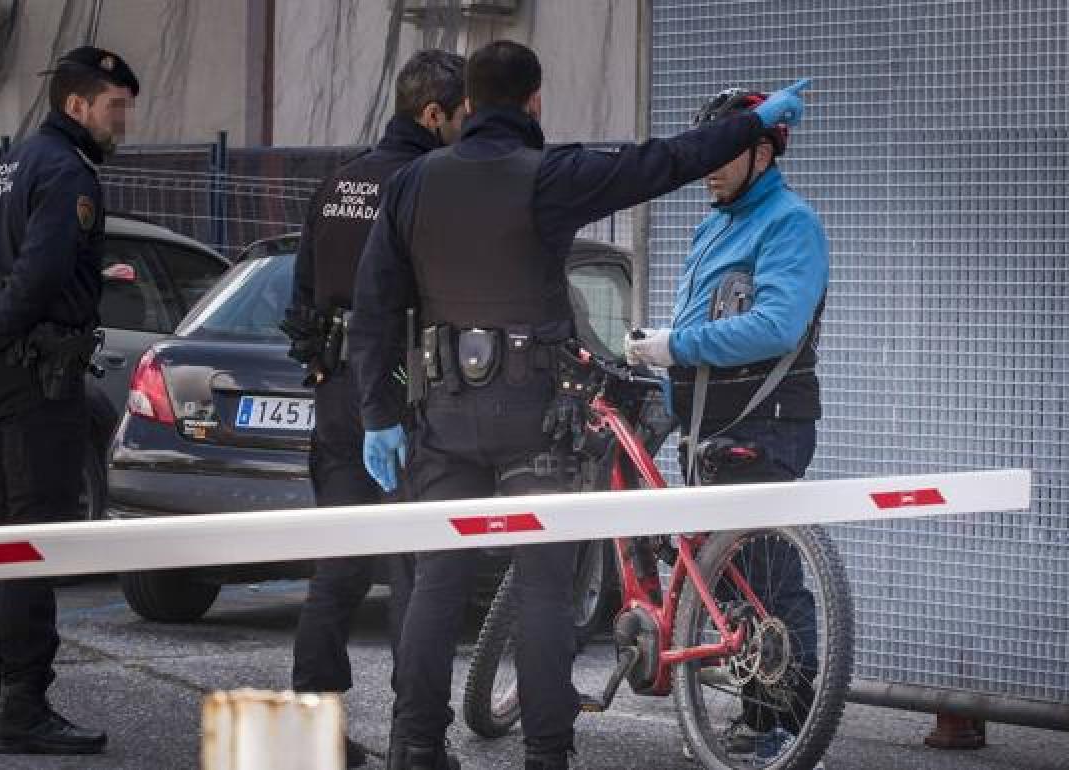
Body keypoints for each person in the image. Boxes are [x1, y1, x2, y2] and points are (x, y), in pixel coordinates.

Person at [349, 38, 810, 770]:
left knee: (437, 579)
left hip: (442, 415)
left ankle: (414, 748)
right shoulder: (549, 175)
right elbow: (663, 161)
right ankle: (546, 755)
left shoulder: (411, 184)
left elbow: (371, 310)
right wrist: (752, 127)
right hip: (536, 416)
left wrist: (378, 415)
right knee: (541, 586)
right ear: (534, 101)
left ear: (468, 104)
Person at [0, 45, 138, 755]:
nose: (123, 123)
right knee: (30, 541)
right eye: (115, 109)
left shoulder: (4, 167)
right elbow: (42, 273)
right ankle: (22, 706)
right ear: (77, 106)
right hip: (36, 376)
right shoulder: (65, 171)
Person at [624, 86, 828, 766]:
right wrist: (661, 353)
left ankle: (793, 730)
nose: (706, 166)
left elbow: (776, 324)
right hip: (708, 422)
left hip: (764, 422)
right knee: (732, 579)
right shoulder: (716, 221)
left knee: (768, 578)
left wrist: (675, 346)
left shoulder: (790, 224)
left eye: (723, 153)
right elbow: (710, 318)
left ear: (763, 153)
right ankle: (756, 718)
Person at [280, 49, 467, 769]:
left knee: (337, 570)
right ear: (433, 115)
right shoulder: (426, 182)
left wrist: (324, 362)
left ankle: (311, 740)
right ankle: (412, 744)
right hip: (403, 393)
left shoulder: (338, 181)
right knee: (415, 574)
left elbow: (299, 291)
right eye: (460, 118)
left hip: (338, 394)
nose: (463, 131)